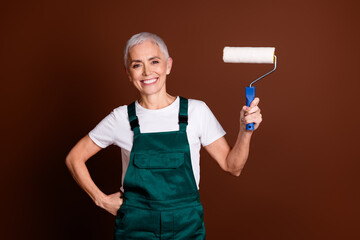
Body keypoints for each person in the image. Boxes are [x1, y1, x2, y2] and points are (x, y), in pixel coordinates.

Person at [65, 32, 262, 240]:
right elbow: (74, 158)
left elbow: (233, 167)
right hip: (135, 226)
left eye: (154, 61)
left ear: (168, 65)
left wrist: (245, 131)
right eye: (137, 65)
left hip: (186, 226)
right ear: (128, 73)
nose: (147, 72)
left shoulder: (196, 111)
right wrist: (101, 200)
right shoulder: (121, 118)